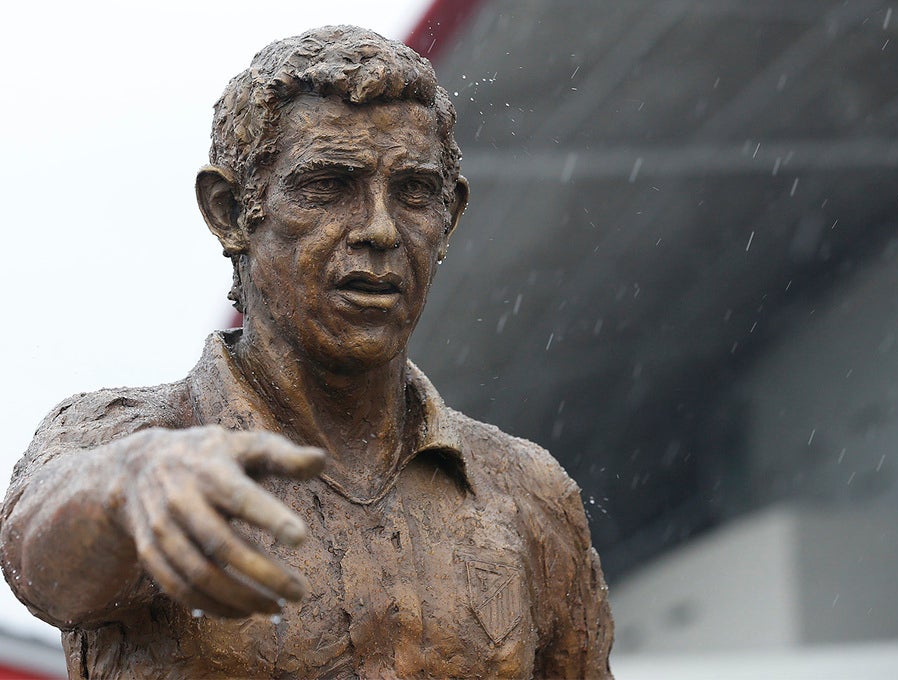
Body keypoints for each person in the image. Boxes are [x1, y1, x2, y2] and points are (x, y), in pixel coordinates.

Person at [0, 26, 613, 678]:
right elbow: (37, 563)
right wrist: (125, 488)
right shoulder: (123, 443)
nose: (379, 229)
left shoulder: (526, 494)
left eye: (413, 192)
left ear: (450, 216)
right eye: (328, 187)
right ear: (229, 211)